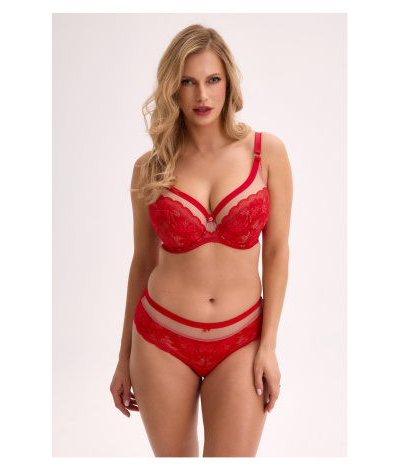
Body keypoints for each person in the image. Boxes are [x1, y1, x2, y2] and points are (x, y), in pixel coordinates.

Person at [110, 24, 293, 457]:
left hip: (241, 341)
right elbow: (142, 263)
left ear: (229, 83)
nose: (202, 95)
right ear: (172, 89)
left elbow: (277, 251)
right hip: (161, 342)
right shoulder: (149, 169)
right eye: (188, 82)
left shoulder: (267, 153)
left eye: (212, 80)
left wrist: (269, 346)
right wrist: (123, 357)